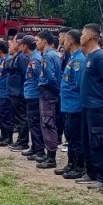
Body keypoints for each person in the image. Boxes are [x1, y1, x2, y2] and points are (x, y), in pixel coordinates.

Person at [80, 24, 103, 189]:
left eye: (83, 34)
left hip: (98, 108)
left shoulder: (100, 56)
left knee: (99, 143)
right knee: (88, 142)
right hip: (87, 107)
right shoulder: (89, 55)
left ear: (91, 37)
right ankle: (91, 173)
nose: (81, 37)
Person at [56, 29, 86, 179]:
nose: (63, 42)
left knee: (75, 138)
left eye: (66, 39)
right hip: (67, 105)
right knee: (69, 137)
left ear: (71, 41)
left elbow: (80, 85)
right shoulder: (72, 58)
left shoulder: (79, 60)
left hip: (75, 106)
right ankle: (71, 163)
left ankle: (78, 166)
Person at [36, 31, 62, 169]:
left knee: (47, 123)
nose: (36, 43)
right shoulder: (54, 55)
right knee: (48, 121)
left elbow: (51, 77)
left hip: (48, 92)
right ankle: (49, 154)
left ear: (44, 41)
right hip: (51, 91)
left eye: (37, 40)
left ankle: (51, 156)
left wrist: (56, 90)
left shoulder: (47, 56)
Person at [21, 36, 44, 160]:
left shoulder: (36, 59)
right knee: (32, 123)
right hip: (30, 94)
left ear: (26, 45)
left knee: (35, 124)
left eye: (22, 44)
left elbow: (40, 77)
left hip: (34, 95)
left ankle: (39, 150)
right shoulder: (32, 58)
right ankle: (35, 147)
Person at [7, 36, 29, 149]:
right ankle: (20, 140)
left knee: (22, 118)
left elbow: (26, 74)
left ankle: (23, 141)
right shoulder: (16, 56)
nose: (12, 44)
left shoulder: (22, 57)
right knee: (18, 118)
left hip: (19, 92)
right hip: (14, 92)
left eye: (14, 42)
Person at [0, 39, 14, 146]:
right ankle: (3, 135)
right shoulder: (3, 60)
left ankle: (8, 137)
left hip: (5, 94)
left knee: (6, 116)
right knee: (1, 115)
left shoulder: (8, 60)